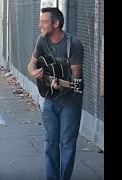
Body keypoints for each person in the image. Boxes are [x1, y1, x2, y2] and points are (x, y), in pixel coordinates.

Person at [28, 7, 84, 180]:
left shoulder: (73, 44)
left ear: (56, 24)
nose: (40, 26)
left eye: (44, 22)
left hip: (70, 101)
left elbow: (77, 76)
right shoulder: (42, 41)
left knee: (67, 143)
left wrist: (63, 85)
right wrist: (34, 73)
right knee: (50, 142)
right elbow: (31, 65)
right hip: (50, 98)